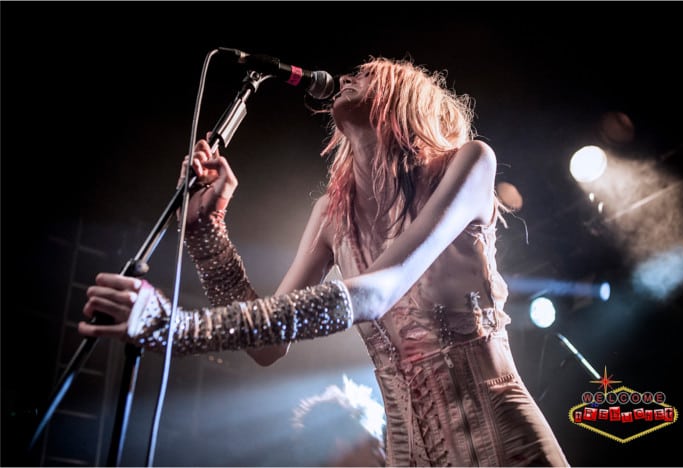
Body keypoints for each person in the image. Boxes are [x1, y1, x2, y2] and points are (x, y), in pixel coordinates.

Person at [79, 56, 570, 466]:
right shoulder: (332, 216)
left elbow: (378, 292)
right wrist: (207, 234)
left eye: (369, 73)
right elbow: (268, 347)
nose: (350, 75)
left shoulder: (470, 162)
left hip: (506, 449)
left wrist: (182, 329)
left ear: (407, 97)